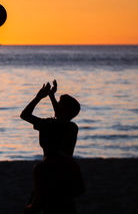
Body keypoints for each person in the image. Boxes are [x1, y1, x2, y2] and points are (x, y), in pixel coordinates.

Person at [20, 80, 84, 214]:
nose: (56, 107)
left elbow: (24, 115)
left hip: (48, 172)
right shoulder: (72, 128)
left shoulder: (47, 125)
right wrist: (52, 97)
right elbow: (61, 117)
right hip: (67, 173)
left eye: (60, 105)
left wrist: (39, 97)